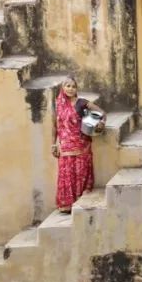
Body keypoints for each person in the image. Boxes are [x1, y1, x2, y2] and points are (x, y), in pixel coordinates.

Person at [51, 76, 104, 214]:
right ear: (62, 88)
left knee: (80, 172)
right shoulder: (58, 105)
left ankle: (80, 202)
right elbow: (55, 126)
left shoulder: (81, 103)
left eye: (73, 86)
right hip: (65, 147)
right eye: (67, 86)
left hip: (81, 144)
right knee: (66, 173)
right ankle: (67, 205)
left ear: (76, 89)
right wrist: (53, 144)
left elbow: (101, 113)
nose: (70, 89)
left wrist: (101, 123)